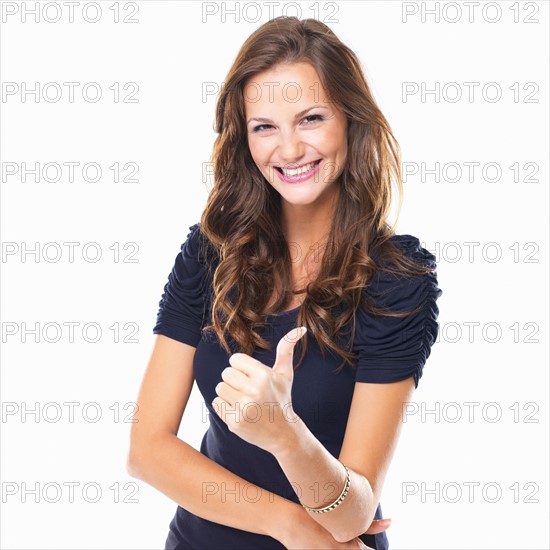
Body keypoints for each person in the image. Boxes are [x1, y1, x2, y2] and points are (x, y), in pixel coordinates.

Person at [127, 16, 442, 550]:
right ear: (244, 138)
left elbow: (352, 516)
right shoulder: (210, 253)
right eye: (265, 126)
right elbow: (147, 450)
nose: (290, 149)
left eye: (311, 118)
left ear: (350, 118)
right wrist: (293, 526)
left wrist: (285, 434)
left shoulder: (396, 280)